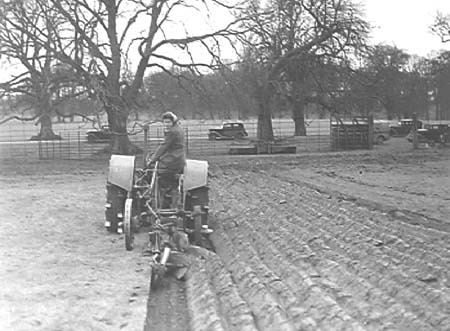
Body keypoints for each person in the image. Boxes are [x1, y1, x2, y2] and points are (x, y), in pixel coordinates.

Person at [146, 111, 186, 208]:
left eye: (168, 122)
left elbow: (164, 146)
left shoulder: (172, 131)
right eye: (165, 122)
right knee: (172, 181)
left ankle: (157, 197)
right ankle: (171, 195)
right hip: (180, 158)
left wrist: (153, 159)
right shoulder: (179, 129)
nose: (166, 124)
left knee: (152, 170)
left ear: (173, 121)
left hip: (172, 159)